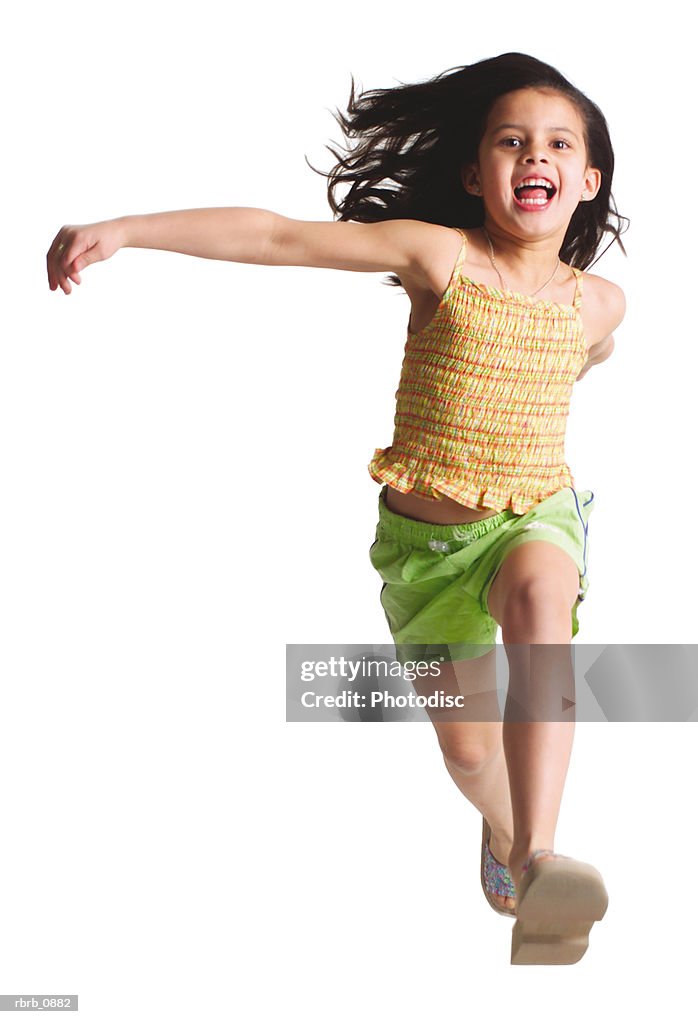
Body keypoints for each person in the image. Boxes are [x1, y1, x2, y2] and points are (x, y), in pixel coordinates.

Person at [46, 51, 627, 965]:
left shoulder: (599, 305)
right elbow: (278, 238)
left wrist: (584, 362)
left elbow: (586, 353)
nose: (533, 156)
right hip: (427, 550)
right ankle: (510, 839)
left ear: (585, 181)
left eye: (556, 144)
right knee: (472, 756)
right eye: (511, 141)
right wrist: (125, 229)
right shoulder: (440, 255)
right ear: (476, 173)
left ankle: (546, 854)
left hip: (533, 515)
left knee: (541, 604)